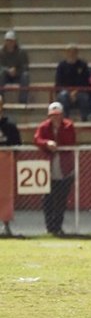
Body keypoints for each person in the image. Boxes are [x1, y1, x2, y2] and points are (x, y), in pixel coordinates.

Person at [34, 102, 76, 236]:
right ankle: (49, 227)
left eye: (57, 115)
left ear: (62, 115)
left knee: (61, 200)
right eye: (52, 115)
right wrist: (46, 143)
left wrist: (57, 138)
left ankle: (58, 227)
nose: (55, 118)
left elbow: (70, 141)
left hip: (65, 168)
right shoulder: (44, 126)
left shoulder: (68, 126)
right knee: (48, 199)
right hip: (48, 168)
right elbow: (37, 139)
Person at [0, 95, 21, 235]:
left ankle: (5, 225)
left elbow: (17, 145)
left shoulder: (10, 126)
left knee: (5, 195)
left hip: (5, 167)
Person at [55, 44, 91, 121]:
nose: (71, 54)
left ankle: (85, 118)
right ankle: (65, 119)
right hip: (65, 90)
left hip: (80, 90)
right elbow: (59, 82)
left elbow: (85, 81)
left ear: (77, 53)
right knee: (63, 96)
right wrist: (69, 92)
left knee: (84, 97)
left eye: (73, 52)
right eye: (69, 52)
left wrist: (76, 91)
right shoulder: (61, 65)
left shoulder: (82, 65)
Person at [0, 30, 30, 104]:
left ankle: (22, 101)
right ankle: (0, 99)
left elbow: (25, 66)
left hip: (18, 75)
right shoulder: (1, 52)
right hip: (6, 75)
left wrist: (16, 70)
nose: (9, 43)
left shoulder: (21, 52)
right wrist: (7, 70)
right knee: (1, 74)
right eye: (7, 41)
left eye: (11, 41)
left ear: (15, 42)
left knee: (25, 76)